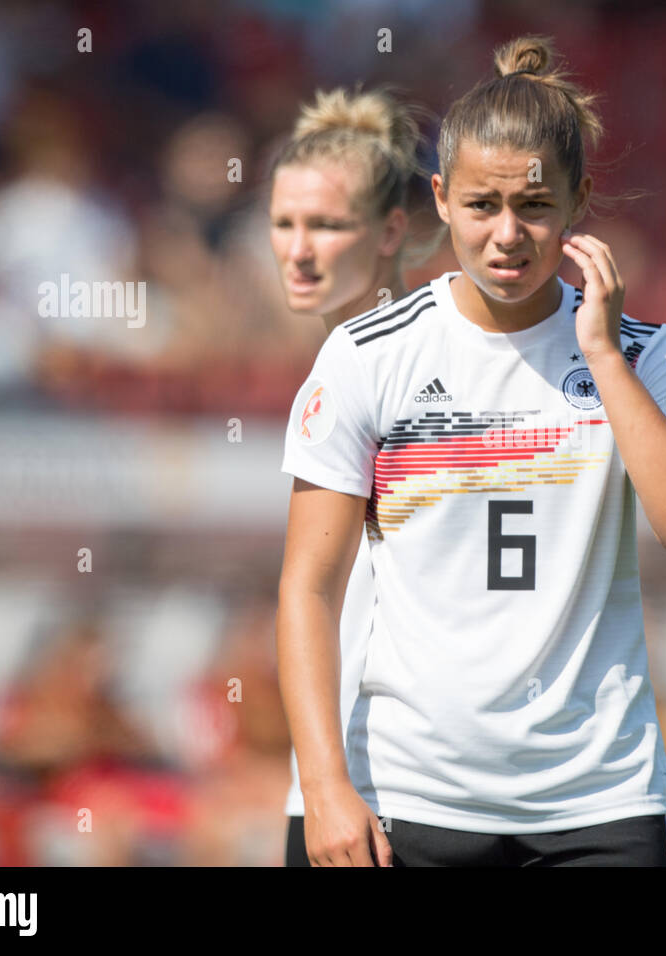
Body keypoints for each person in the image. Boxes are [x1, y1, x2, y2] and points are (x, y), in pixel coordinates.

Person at [277, 35, 666, 867]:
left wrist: (598, 355)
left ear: (579, 201)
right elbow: (307, 587)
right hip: (401, 797)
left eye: (535, 206)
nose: (509, 235)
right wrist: (323, 788)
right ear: (442, 199)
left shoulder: (643, 354)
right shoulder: (367, 355)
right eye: (483, 206)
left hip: (598, 800)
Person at [265, 84, 431, 867]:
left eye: (327, 226)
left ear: (393, 229)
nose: (299, 250)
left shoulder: (415, 369)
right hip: (338, 786)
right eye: (284, 224)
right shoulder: (335, 371)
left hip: (404, 792)